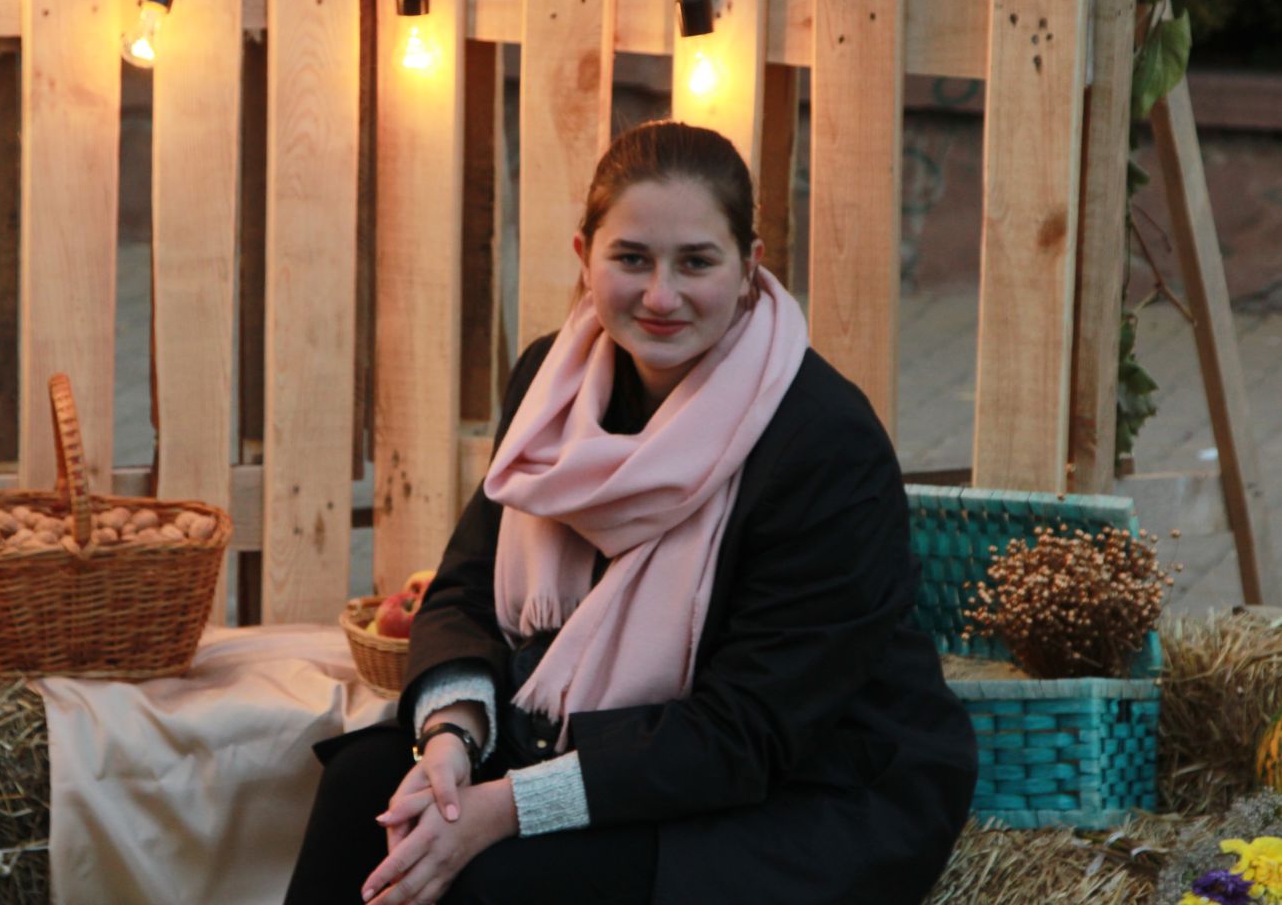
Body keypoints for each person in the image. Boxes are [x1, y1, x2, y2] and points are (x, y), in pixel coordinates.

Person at [284, 121, 977, 905]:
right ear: (585, 256)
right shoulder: (550, 383)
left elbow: (747, 731)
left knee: (499, 878)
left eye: (697, 262)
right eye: (632, 258)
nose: (661, 296)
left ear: (749, 267)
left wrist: (507, 808)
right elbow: (467, 585)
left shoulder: (824, 441)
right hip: (584, 732)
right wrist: (449, 740)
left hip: (798, 783)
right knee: (364, 792)